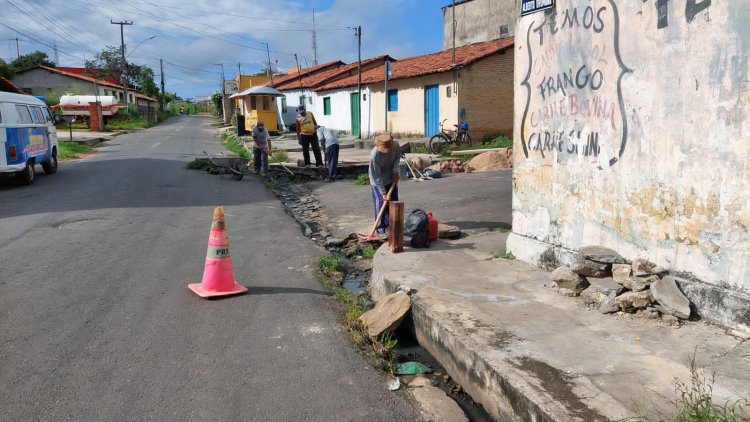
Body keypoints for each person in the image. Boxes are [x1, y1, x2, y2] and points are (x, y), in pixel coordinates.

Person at [368, 132, 401, 235]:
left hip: (391, 178)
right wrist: (383, 193)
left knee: (393, 203)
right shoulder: (375, 155)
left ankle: (393, 226)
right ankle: (380, 229)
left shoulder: (395, 146)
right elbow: (376, 176)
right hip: (378, 181)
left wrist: (396, 171)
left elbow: (397, 159)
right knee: (381, 203)